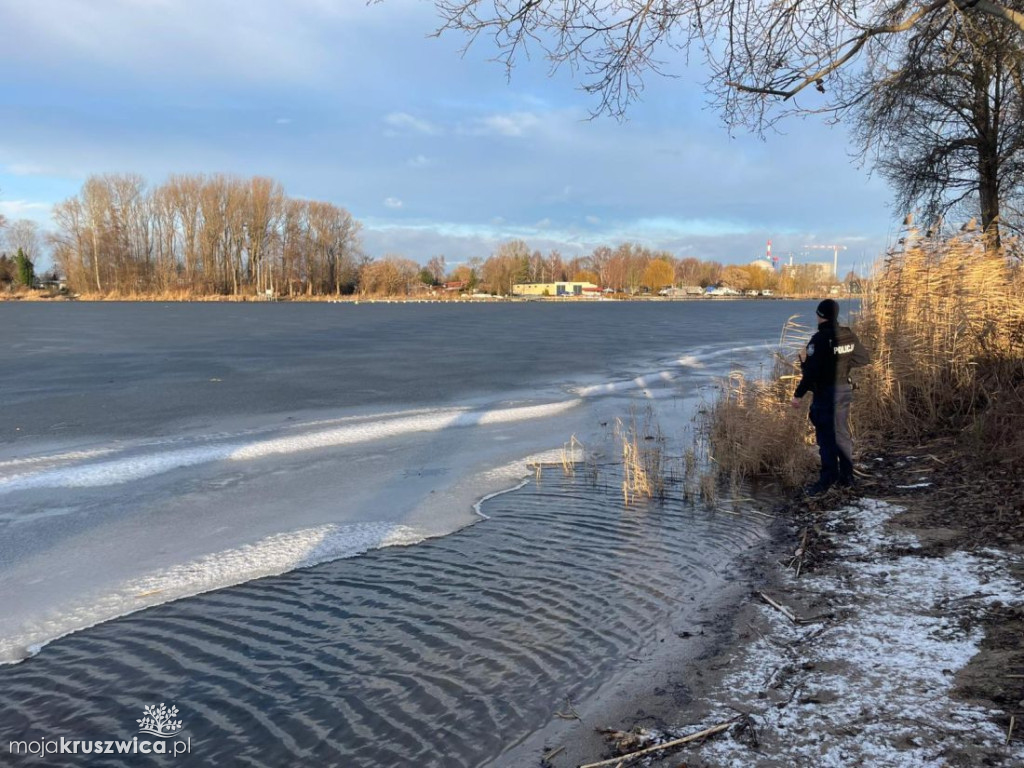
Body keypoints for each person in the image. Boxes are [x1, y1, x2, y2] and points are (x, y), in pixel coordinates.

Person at [791, 298, 870, 494]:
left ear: (820, 315)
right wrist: (843, 366)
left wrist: (798, 394)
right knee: (842, 433)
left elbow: (812, 373)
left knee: (826, 436)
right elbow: (863, 358)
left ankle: (827, 479)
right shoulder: (847, 335)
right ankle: (847, 476)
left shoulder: (818, 340)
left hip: (826, 393)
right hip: (844, 390)